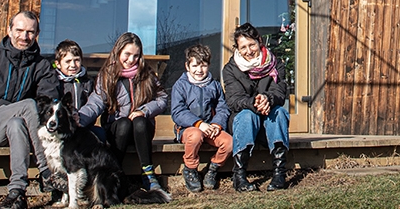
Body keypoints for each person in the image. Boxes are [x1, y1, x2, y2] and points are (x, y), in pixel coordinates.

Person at [0, 11, 65, 209]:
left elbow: (48, 102)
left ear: (37, 34)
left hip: (22, 129)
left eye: (30, 32)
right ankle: (46, 171)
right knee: (28, 104)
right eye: (19, 30)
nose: (24, 36)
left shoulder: (41, 66)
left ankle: (17, 192)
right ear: (9, 30)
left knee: (16, 123)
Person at [77, 32, 169, 196]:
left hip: (141, 131)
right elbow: (95, 103)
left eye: (136, 55)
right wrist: (79, 119)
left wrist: (144, 110)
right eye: (127, 54)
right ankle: (115, 172)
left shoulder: (146, 74)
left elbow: (162, 98)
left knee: (140, 121)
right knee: (125, 123)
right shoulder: (107, 76)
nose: (131, 59)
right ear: (118, 51)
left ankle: (148, 173)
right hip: (118, 130)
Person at [222, 23, 290, 192]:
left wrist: (267, 99)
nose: (249, 51)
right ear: (237, 49)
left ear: (259, 41)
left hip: (268, 124)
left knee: (280, 112)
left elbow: (279, 91)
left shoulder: (276, 64)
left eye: (251, 44)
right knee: (247, 115)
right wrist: (255, 103)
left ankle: (279, 173)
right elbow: (234, 100)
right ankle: (239, 176)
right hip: (244, 124)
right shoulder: (230, 69)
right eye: (243, 47)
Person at [170, 44, 232, 192]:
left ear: (209, 65)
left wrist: (217, 124)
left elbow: (222, 108)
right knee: (196, 135)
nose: (199, 70)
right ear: (187, 66)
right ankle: (190, 168)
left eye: (203, 66)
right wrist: (198, 123)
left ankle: (213, 168)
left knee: (229, 142)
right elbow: (178, 111)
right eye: (195, 66)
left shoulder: (215, 85)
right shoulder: (180, 86)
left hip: (210, 127)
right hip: (188, 128)